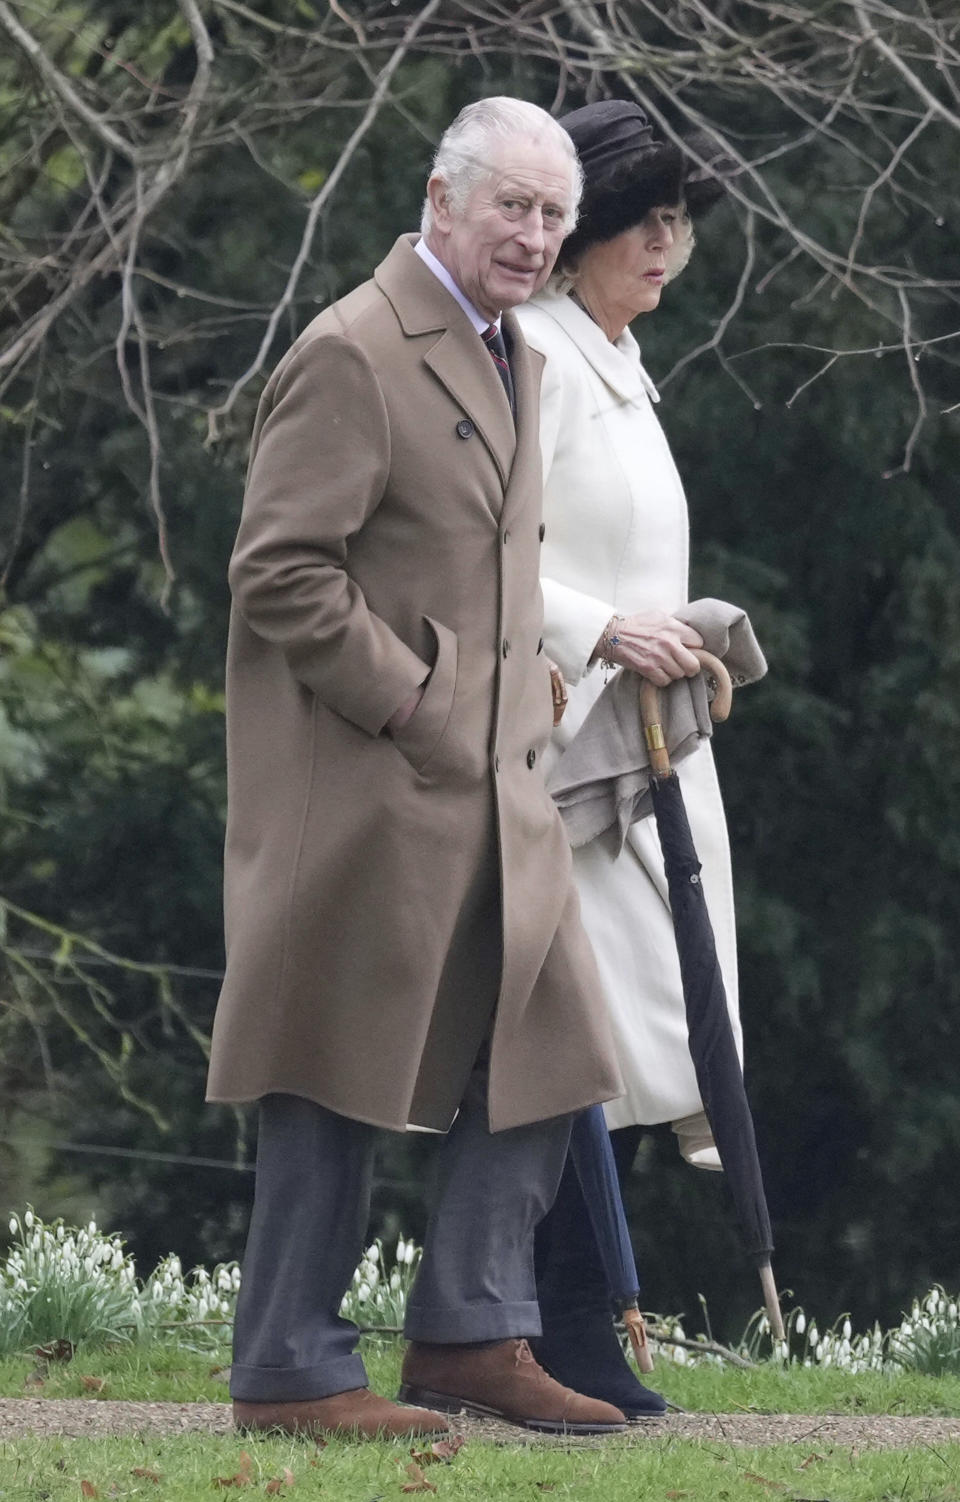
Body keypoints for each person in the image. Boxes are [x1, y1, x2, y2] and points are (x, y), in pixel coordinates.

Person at [206, 96, 630, 1442]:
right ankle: (287, 1368)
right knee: (325, 1069)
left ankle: (469, 1331)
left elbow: (493, 566)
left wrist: (542, 687)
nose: (536, 234)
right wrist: (417, 702)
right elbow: (278, 571)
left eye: (555, 214)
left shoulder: (524, 357)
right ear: (442, 198)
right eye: (513, 204)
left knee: (554, 1045)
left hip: (500, 783)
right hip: (366, 779)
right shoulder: (353, 350)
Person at [515, 100, 739, 1419]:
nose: (667, 244)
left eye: (680, 222)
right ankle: (566, 1323)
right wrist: (603, 629)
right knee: (579, 1041)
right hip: (564, 751)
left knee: (647, 1038)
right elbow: (490, 553)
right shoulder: (536, 356)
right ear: (583, 232)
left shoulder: (619, 359)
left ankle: (577, 1320)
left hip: (651, 751)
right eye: (644, 221)